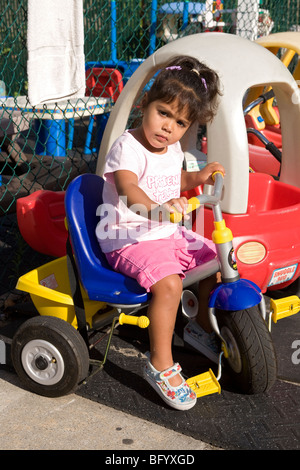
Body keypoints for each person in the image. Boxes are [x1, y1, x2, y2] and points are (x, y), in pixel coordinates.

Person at [96, 55, 225, 411]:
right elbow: (128, 189)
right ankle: (161, 363)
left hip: (162, 230)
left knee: (215, 259)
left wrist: (196, 179)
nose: (168, 127)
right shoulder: (128, 147)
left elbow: (173, 180)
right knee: (168, 285)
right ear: (145, 104)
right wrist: (156, 208)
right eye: (163, 113)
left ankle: (198, 326)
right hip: (128, 235)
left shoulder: (172, 149)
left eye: (180, 122)